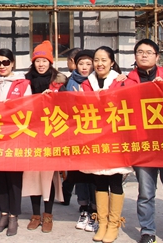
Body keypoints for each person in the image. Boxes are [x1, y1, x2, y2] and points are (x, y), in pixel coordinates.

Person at [114, 39, 163, 243]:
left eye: (149, 52)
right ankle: (147, 230)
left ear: (157, 56)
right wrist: (116, 83)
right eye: (140, 52)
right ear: (135, 56)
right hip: (142, 144)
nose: (144, 55)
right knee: (145, 192)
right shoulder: (127, 81)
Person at [80, 46, 130, 243]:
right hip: (96, 139)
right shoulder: (86, 84)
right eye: (96, 60)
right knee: (99, 180)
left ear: (112, 62)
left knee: (115, 181)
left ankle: (114, 224)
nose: (99, 64)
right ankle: (102, 223)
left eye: (103, 60)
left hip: (115, 139)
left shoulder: (121, 82)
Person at [0, 48, 31, 236]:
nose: (2, 66)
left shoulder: (23, 83)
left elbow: (28, 108)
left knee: (14, 179)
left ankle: (14, 216)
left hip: (15, 136)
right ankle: (3, 213)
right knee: (0, 178)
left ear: (12, 63)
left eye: (5, 62)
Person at [22, 41, 66, 233]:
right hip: (31, 134)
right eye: (37, 61)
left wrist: (55, 98)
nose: (41, 64)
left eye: (44, 61)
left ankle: (48, 215)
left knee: (49, 176)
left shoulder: (60, 82)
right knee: (32, 175)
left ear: (50, 62)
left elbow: (68, 105)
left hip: (51, 134)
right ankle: (35, 215)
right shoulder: (25, 81)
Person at [62, 49, 99, 233]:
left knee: (95, 176)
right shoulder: (69, 82)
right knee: (80, 176)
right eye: (81, 63)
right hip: (76, 136)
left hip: (96, 136)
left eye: (88, 64)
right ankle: (84, 208)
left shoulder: (98, 81)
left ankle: (95, 211)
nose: (84, 67)